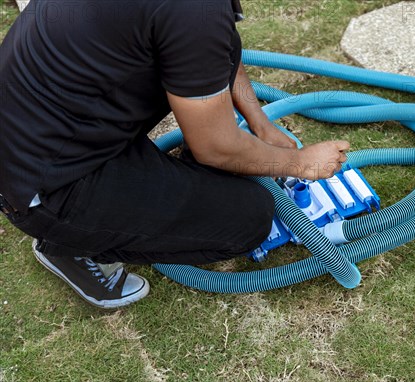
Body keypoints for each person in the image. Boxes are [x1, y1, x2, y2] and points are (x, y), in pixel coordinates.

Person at [0, 0, 349, 308]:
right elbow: (216, 148)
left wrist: (260, 123)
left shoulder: (199, 13)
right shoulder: (195, 10)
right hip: (47, 186)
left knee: (222, 166)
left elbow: (222, 47)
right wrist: (300, 164)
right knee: (251, 217)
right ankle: (70, 245)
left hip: (54, 135)